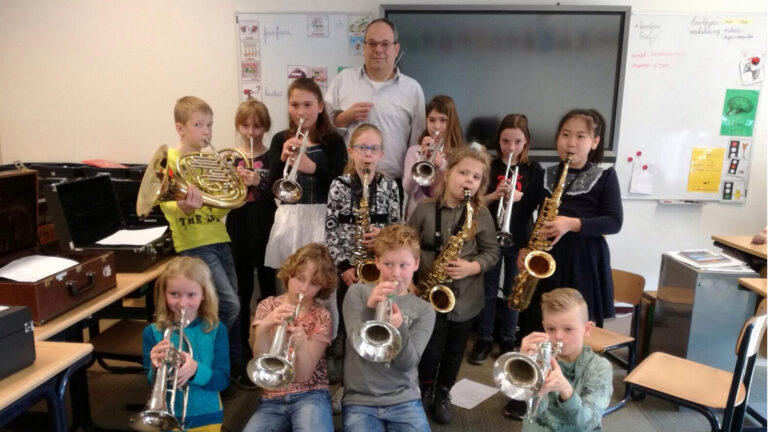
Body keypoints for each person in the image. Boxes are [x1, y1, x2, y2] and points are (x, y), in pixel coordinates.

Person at [408, 146, 500, 424]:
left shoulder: (480, 214)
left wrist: (472, 266)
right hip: (427, 295)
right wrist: (411, 283)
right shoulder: (424, 210)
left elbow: (492, 253)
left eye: (476, 177)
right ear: (446, 175)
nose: (468, 180)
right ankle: (424, 388)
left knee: (453, 351)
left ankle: (443, 392)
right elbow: (407, 246)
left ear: (480, 185)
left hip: (465, 300)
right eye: (463, 172)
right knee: (429, 348)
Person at [513, 109, 623, 339]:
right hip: (544, 263)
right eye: (565, 135)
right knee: (539, 327)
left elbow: (614, 222)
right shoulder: (542, 175)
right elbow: (521, 215)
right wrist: (523, 247)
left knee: (576, 333)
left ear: (594, 142)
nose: (571, 143)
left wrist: (572, 224)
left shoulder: (605, 177)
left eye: (581, 136)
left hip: (584, 264)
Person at [158, 96, 241, 384]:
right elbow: (163, 202)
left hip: (219, 238)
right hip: (193, 244)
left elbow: (222, 207)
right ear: (180, 128)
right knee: (229, 305)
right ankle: (204, 358)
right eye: (198, 125)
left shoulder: (211, 159)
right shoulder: (170, 158)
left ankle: (229, 370)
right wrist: (182, 207)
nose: (206, 131)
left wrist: (238, 185)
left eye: (209, 125)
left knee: (232, 303)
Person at [341, 224, 435, 431]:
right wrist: (369, 309)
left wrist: (400, 327)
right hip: (361, 399)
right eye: (388, 264)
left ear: (416, 264)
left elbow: (407, 364)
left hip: (404, 398)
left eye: (404, 265)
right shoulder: (358, 293)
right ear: (377, 262)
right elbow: (355, 347)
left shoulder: (425, 310)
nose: (396, 274)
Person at [470, 114, 544, 365]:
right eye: (505, 141)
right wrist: (494, 195)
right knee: (488, 291)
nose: (510, 147)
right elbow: (476, 202)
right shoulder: (489, 165)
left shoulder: (534, 169)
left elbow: (538, 204)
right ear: (498, 140)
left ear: (526, 142)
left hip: (520, 239)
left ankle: (508, 338)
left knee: (514, 291)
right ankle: (484, 337)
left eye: (517, 141)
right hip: (490, 237)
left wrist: (521, 196)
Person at [243, 243, 338, 432]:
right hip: (271, 399)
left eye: (313, 283)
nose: (303, 288)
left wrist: (301, 343)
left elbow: (303, 376)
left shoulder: (322, 316)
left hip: (312, 396)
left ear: (322, 287)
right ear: (289, 273)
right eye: (299, 278)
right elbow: (259, 364)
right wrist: (264, 327)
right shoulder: (267, 306)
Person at [325, 18, 426, 188]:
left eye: (385, 44)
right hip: (348, 181)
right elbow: (323, 130)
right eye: (372, 44)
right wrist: (344, 118)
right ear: (363, 47)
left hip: (392, 184)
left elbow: (416, 144)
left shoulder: (412, 89)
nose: (378, 49)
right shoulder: (343, 80)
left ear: (396, 48)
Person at [265, 78, 347, 270]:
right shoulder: (280, 139)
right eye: (294, 105)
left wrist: (314, 169)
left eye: (307, 105)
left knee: (322, 277)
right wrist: (282, 161)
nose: (300, 112)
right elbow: (272, 188)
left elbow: (342, 187)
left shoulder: (333, 140)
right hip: (290, 219)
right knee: (290, 277)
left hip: (322, 217)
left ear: (320, 107)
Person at [141, 256, 229, 431]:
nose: (182, 303)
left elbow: (222, 380)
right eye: (174, 294)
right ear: (164, 294)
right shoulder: (152, 333)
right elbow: (151, 382)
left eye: (191, 295)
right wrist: (154, 366)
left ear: (203, 294)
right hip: (166, 418)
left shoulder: (216, 330)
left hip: (206, 416)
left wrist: (195, 370)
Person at [225, 98, 277, 380]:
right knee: (242, 288)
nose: (251, 132)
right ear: (238, 126)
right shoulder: (231, 156)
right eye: (245, 126)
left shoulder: (272, 156)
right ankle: (242, 350)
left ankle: (267, 344)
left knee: (268, 286)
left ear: (266, 127)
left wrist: (259, 182)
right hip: (239, 222)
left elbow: (280, 193)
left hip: (266, 220)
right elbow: (224, 196)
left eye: (257, 126)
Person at [516, 288, 613, 431]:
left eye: (568, 329)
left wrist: (565, 389)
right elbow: (532, 408)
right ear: (544, 327)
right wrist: (523, 365)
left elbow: (588, 424)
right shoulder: (540, 354)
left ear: (587, 329)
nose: (558, 337)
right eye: (551, 328)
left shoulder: (600, 367)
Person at [403, 95, 465, 220]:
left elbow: (460, 186)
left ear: (451, 121)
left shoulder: (460, 154)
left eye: (443, 120)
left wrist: (442, 164)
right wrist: (422, 158)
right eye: (431, 120)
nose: (436, 126)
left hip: (448, 214)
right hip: (418, 212)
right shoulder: (414, 151)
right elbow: (409, 189)